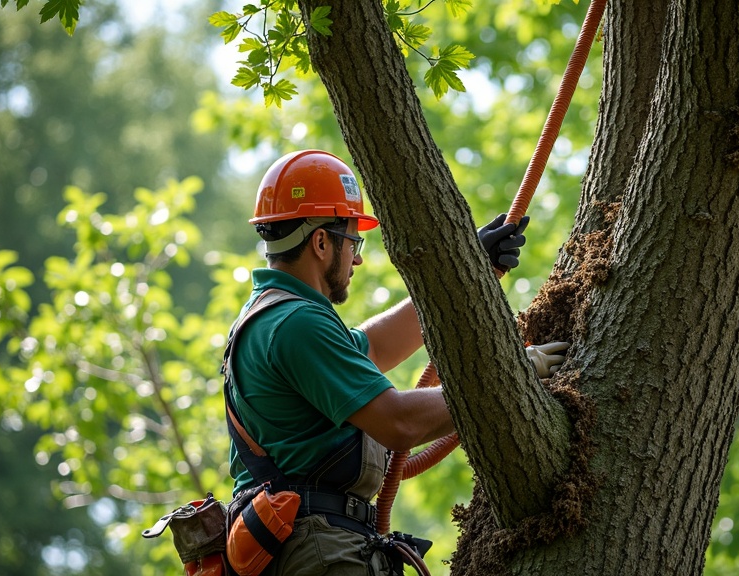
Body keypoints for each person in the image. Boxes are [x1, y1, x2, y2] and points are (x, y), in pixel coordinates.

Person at [224, 149, 568, 576]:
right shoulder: (296, 324)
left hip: (316, 545)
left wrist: (465, 273)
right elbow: (399, 422)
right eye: (354, 242)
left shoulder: (275, 317)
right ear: (320, 241)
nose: (358, 259)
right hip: (320, 552)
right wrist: (514, 376)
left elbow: (376, 347)